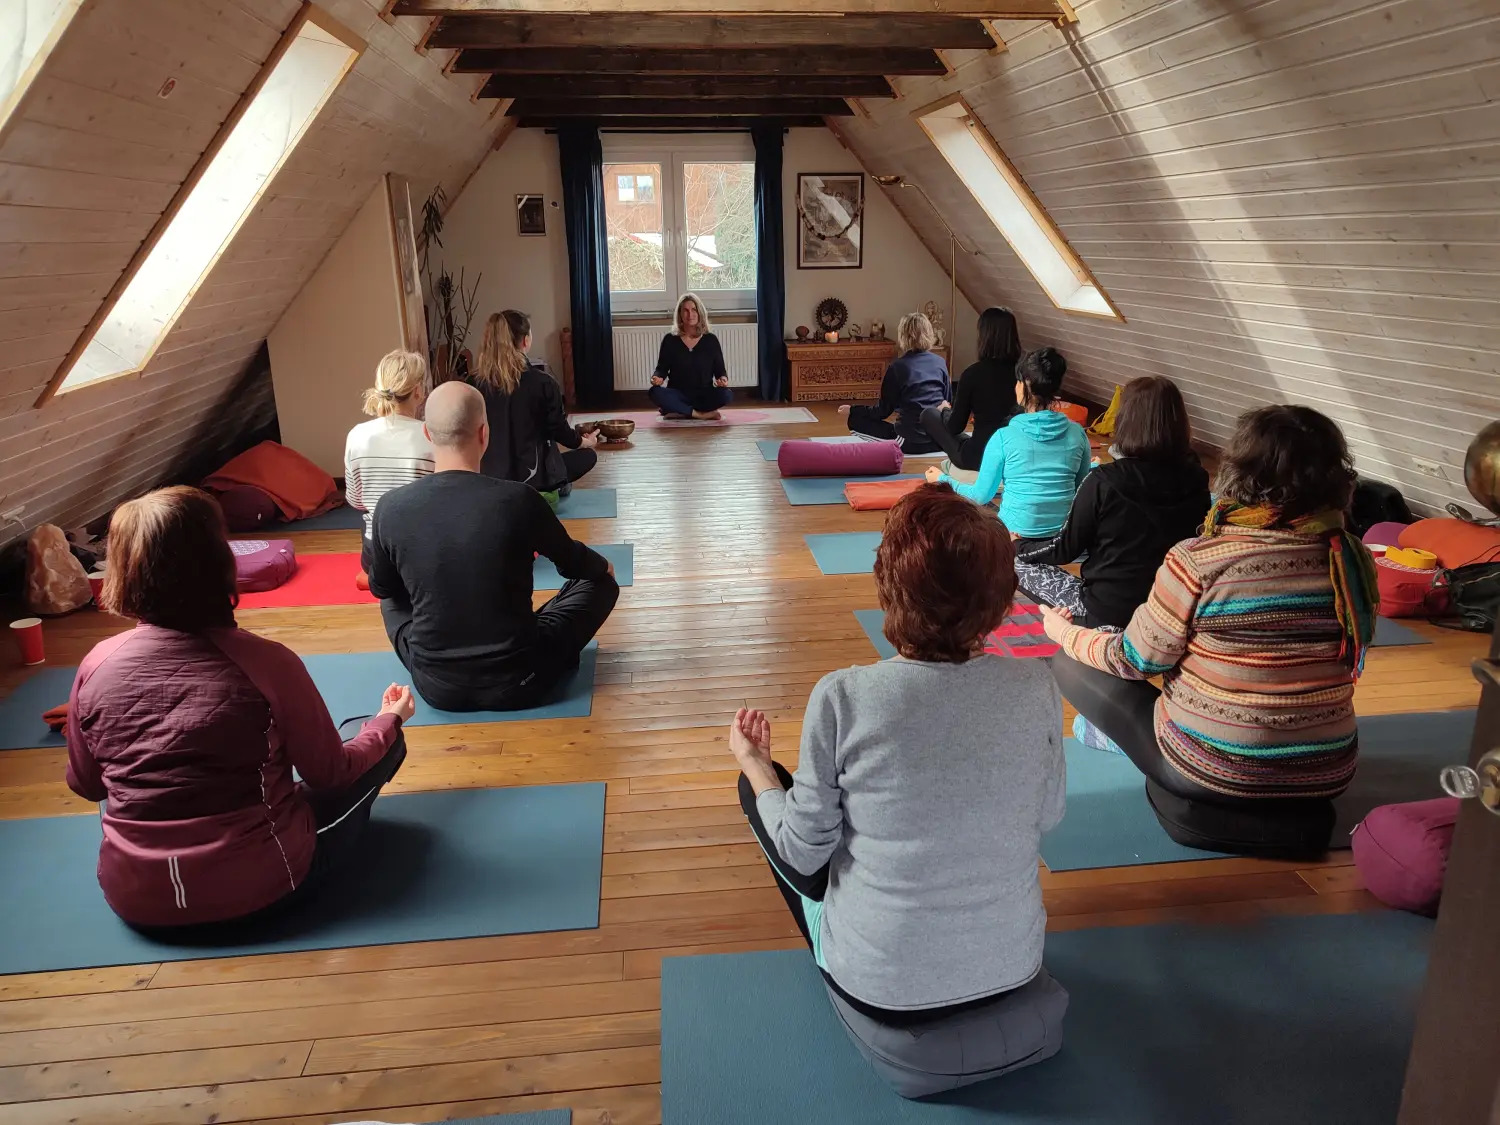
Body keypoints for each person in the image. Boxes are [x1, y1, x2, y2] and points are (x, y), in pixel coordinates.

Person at [731, 483, 1068, 1099]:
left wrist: (756, 767)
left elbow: (803, 854)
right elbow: (1048, 814)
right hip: (1014, 964)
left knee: (767, 791)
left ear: (889, 586)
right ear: (998, 603)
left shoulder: (844, 696)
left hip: (882, 987)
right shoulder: (1036, 686)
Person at [64, 487, 412, 935]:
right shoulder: (267, 661)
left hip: (133, 898)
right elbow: (332, 773)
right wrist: (388, 720)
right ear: (219, 562)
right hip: (263, 888)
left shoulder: (95, 664)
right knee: (377, 741)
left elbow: (87, 784)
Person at [1043, 405, 1379, 857]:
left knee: (1071, 660)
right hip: (1328, 768)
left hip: (1209, 768)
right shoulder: (1351, 559)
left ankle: (1119, 734)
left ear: (1238, 471)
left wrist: (1063, 633)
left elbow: (1134, 659)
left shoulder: (1202, 558)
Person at [368, 381, 619, 713]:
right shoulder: (519, 499)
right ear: (484, 433)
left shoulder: (390, 507)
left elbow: (381, 587)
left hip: (436, 686)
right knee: (601, 582)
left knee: (390, 599)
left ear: (427, 434)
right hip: (522, 681)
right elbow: (574, 563)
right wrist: (603, 567)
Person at [1013, 376, 1210, 628]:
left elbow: (1064, 549)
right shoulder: (1197, 478)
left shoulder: (1104, 481)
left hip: (1109, 612)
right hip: (1168, 611)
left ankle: (1090, 631)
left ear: (1125, 420)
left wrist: (1019, 545)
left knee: (1016, 562)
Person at [926, 346, 1089, 549]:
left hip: (1015, 536)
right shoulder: (1078, 434)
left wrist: (942, 479)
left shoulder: (1003, 437)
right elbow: (1081, 489)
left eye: (1018, 381)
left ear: (1026, 385)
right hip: (1062, 537)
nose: (1016, 386)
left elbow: (980, 495)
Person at [469, 310, 598, 496]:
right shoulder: (544, 383)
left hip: (488, 478)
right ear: (525, 341)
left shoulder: (472, 384)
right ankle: (557, 486)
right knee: (587, 456)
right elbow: (559, 430)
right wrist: (584, 442)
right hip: (534, 480)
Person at [345, 349, 435, 569]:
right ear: (418, 391)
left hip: (375, 552)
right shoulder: (431, 436)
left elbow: (356, 501)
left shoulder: (357, 434)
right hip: (420, 552)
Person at [919, 306, 1021, 470]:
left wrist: (945, 410)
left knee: (929, 414)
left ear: (984, 336)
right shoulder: (1024, 374)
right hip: (1014, 458)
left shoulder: (972, 374)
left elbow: (954, 427)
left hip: (978, 458)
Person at [838, 311, 949, 453]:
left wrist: (852, 409)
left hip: (910, 443)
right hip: (938, 440)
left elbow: (881, 412)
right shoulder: (940, 362)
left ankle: (896, 444)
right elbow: (946, 403)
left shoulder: (897, 367)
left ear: (903, 335)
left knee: (855, 420)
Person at [649, 293, 732, 420]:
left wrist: (723, 379)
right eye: (685, 311)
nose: (690, 314)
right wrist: (657, 377)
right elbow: (662, 368)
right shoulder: (670, 339)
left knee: (726, 395)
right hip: (678, 393)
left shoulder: (710, 340)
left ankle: (679, 411)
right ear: (680, 315)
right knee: (654, 392)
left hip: (704, 394)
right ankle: (698, 414)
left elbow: (720, 370)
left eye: (694, 310)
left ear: (700, 313)